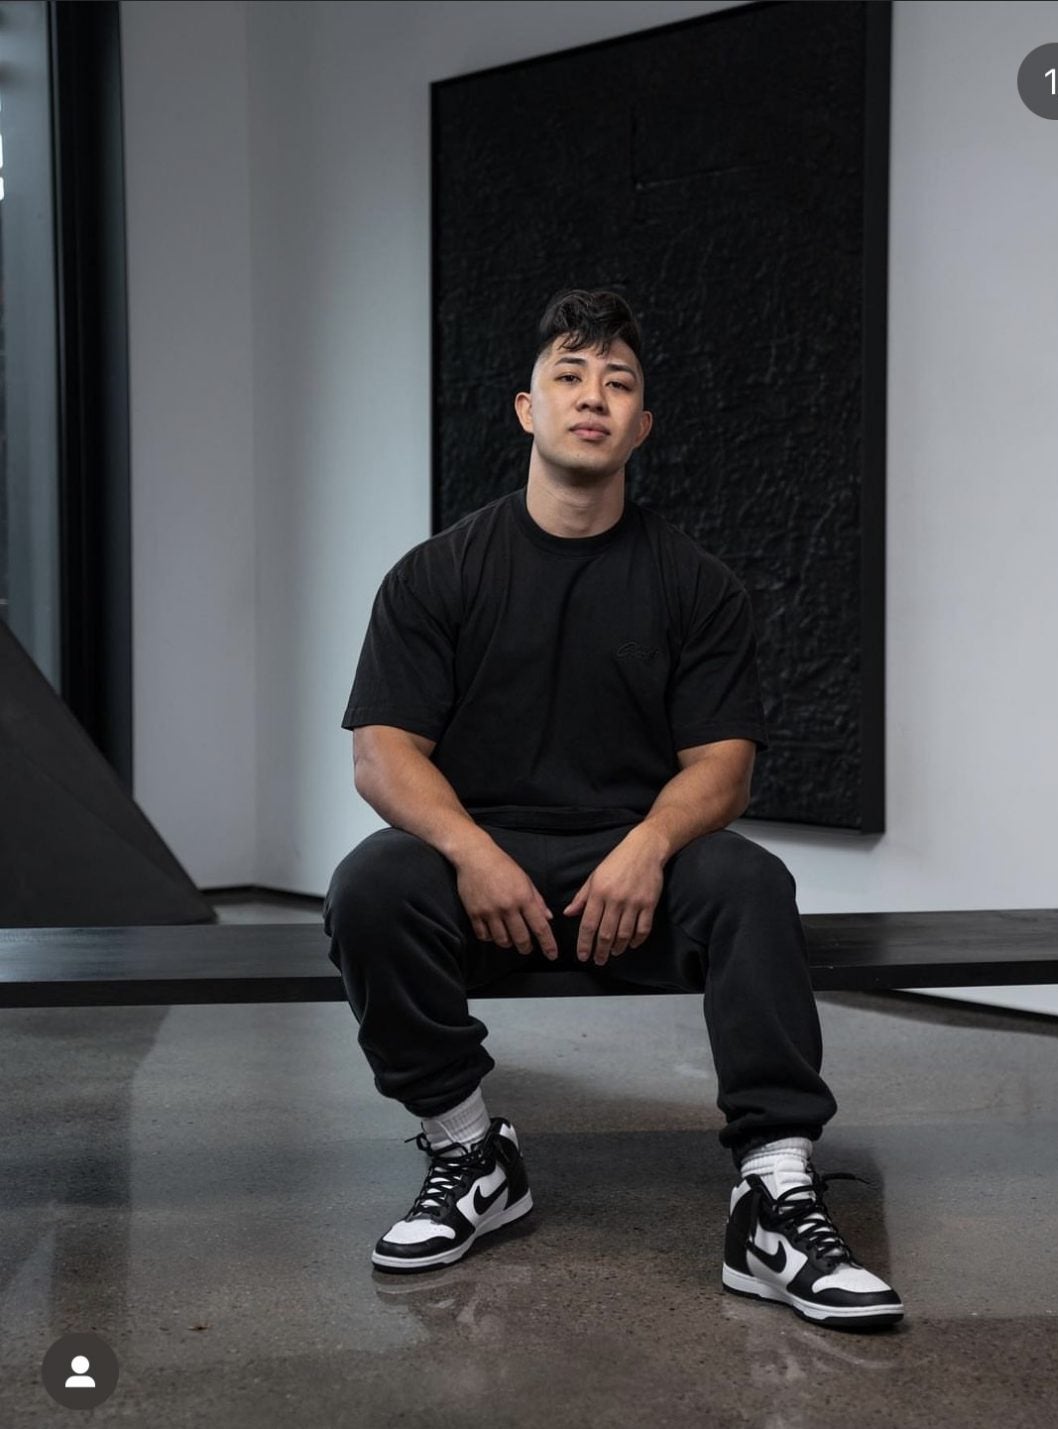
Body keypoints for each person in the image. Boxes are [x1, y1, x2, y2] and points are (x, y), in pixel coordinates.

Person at [323, 288, 903, 1330]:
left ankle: (772, 1195)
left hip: (633, 874)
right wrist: (470, 850)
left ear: (641, 426)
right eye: (569, 375)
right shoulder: (436, 576)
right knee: (370, 883)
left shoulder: (697, 585)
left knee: (749, 880)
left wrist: (649, 845)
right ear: (526, 410)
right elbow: (382, 754)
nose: (593, 396)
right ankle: (469, 1150)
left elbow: (723, 767)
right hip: (485, 875)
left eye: (618, 382)